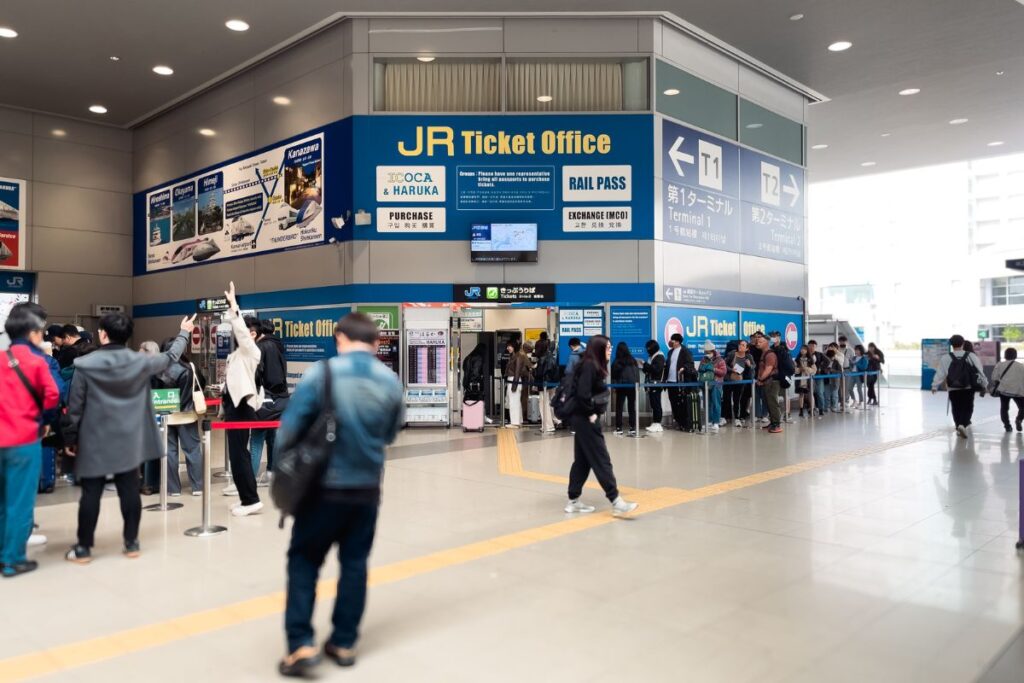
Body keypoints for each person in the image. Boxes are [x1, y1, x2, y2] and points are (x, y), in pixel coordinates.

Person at [275, 313, 403, 676]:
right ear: (376, 344)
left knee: (304, 560)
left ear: (339, 338)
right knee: (355, 563)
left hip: (321, 488)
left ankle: (300, 644)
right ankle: (344, 641)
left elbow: (287, 432)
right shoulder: (390, 381)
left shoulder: (322, 373)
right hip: (366, 488)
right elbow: (391, 434)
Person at [63, 312, 195, 564]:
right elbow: (170, 357)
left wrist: (71, 439)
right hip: (130, 438)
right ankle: (131, 543)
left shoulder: (84, 365)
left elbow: (76, 406)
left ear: (102, 334)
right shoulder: (140, 362)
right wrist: (184, 332)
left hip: (94, 439)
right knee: (129, 490)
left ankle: (83, 549)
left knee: (91, 493)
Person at [0, 304, 60, 577]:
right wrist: (45, 421)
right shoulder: (38, 362)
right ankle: (13, 559)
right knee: (20, 500)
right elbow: (52, 396)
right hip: (24, 440)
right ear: (34, 333)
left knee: (2, 501)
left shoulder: (1, 359)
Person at [563, 335, 639, 517]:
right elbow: (583, 393)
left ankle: (573, 500)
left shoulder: (590, 364)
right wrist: (591, 413)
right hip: (586, 420)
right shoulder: (590, 365)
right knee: (601, 459)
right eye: (607, 347)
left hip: (581, 419)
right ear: (598, 349)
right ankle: (616, 501)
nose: (610, 350)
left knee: (582, 461)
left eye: (611, 347)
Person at [219, 282, 264, 515]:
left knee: (239, 456)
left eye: (246, 332)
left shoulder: (251, 351)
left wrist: (234, 306)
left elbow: (243, 335)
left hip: (241, 408)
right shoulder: (237, 355)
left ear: (252, 334)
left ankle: (251, 500)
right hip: (233, 407)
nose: (238, 335)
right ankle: (248, 497)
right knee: (239, 455)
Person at [158, 338, 205, 496]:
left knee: (169, 451)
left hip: (166, 416)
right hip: (187, 415)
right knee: (192, 450)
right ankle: (198, 487)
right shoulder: (190, 366)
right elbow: (201, 384)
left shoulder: (159, 370)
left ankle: (173, 489)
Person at [252, 318, 288, 487]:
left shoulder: (263, 346)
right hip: (279, 399)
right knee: (272, 438)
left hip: (266, 399)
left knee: (256, 438)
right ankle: (271, 472)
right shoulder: (278, 346)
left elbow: (263, 376)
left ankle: (250, 478)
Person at [931, 334, 987, 438]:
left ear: (951, 344)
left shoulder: (946, 357)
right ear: (963, 343)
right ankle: (963, 424)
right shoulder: (971, 356)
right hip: (968, 387)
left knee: (956, 407)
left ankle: (958, 426)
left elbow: (940, 373)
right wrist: (985, 383)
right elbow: (980, 371)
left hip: (953, 387)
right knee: (968, 406)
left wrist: (934, 386)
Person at [665, 333, 695, 431]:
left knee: (682, 403)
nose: (671, 341)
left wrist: (683, 368)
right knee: (673, 402)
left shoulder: (685, 351)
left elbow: (690, 364)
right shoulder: (670, 352)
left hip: (680, 382)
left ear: (677, 341)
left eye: (672, 340)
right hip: (670, 381)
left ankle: (684, 423)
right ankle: (678, 421)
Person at [755, 334, 783, 434]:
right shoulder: (764, 353)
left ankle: (777, 425)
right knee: (768, 403)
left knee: (772, 403)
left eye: (761, 341)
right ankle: (772, 422)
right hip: (767, 382)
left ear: (767, 343)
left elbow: (768, 369)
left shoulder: (770, 354)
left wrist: (760, 379)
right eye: (757, 341)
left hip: (771, 382)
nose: (758, 343)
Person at [991, 347, 1024, 432]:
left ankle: (1007, 426)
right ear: (1015, 355)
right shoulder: (1021, 366)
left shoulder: (999, 365)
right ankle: (1019, 420)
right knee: (1022, 407)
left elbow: (994, 378)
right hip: (1019, 391)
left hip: (1004, 391)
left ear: (1005, 355)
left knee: (1004, 408)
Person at [611, 342, 640, 436]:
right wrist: (637, 385)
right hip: (632, 386)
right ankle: (632, 428)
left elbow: (614, 374)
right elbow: (637, 374)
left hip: (621, 386)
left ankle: (619, 428)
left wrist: (615, 386)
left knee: (619, 407)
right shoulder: (633, 360)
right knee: (632, 407)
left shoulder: (617, 361)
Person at [697, 341, 726, 433]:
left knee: (716, 403)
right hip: (706, 383)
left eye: (708, 352)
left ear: (713, 351)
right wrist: (702, 368)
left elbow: (723, 372)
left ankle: (716, 422)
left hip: (716, 384)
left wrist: (713, 369)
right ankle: (708, 420)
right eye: (706, 352)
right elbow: (699, 370)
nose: (707, 354)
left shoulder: (720, 360)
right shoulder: (704, 359)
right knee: (707, 403)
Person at [724, 340, 755, 427]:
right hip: (729, 380)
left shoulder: (748, 356)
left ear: (747, 348)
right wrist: (731, 370)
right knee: (726, 398)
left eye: (743, 345)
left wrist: (749, 365)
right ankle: (726, 417)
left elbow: (754, 366)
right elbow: (724, 364)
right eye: (740, 345)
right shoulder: (732, 354)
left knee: (737, 399)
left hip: (740, 381)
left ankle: (737, 418)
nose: (740, 346)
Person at [534, 336, 560, 434]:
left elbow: (540, 374)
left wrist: (534, 371)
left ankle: (548, 425)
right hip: (552, 384)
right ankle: (553, 421)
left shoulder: (542, 359)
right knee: (550, 404)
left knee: (544, 405)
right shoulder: (551, 357)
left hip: (544, 385)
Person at [504, 340, 530, 428]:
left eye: (509, 346)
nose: (507, 348)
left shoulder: (518, 357)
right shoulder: (515, 356)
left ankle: (515, 423)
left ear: (514, 346)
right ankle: (519, 420)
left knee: (513, 402)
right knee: (516, 401)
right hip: (513, 380)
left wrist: (514, 385)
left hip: (514, 380)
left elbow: (517, 371)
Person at [642, 340, 666, 433]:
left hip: (656, 383)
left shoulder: (659, 356)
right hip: (651, 383)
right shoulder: (651, 357)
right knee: (653, 403)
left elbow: (656, 369)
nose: (647, 350)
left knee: (656, 403)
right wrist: (644, 366)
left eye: (649, 348)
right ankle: (655, 422)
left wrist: (645, 364)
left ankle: (658, 423)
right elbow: (649, 370)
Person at [794, 344, 817, 418]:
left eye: (804, 349)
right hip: (800, 379)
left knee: (810, 394)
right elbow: (794, 370)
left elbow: (814, 370)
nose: (802, 350)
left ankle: (812, 409)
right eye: (801, 349)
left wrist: (807, 369)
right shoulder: (797, 359)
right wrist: (799, 369)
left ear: (807, 351)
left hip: (808, 379)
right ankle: (801, 410)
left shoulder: (810, 359)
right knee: (801, 394)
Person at [807, 340, 827, 417]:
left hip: (818, 376)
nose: (811, 347)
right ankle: (811, 408)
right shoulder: (806, 354)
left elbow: (827, 361)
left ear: (816, 347)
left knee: (819, 392)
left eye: (813, 346)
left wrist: (821, 368)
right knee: (810, 393)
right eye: (810, 346)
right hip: (808, 376)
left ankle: (821, 409)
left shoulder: (819, 354)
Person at [838, 336, 856, 405]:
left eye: (843, 341)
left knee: (846, 386)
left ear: (846, 342)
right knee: (839, 386)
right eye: (841, 341)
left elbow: (853, 360)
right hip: (838, 370)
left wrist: (852, 370)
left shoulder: (850, 350)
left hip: (847, 370)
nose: (842, 342)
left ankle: (845, 400)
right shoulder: (837, 349)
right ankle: (840, 400)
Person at [824, 347, 842, 413]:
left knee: (835, 395)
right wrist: (825, 370)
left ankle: (834, 407)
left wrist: (833, 370)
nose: (831, 358)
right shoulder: (825, 362)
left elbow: (840, 371)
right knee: (826, 395)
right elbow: (822, 370)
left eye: (832, 356)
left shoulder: (836, 362)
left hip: (835, 381)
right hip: (827, 381)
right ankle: (827, 407)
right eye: (830, 357)